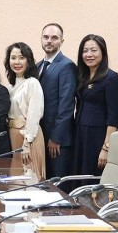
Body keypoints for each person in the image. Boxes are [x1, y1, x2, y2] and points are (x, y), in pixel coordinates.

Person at [73, 34, 118, 179]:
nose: (89, 54)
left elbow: (114, 116)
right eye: (85, 51)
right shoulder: (82, 76)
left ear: (103, 52)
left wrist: (106, 148)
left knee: (93, 177)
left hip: (98, 136)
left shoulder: (111, 78)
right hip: (80, 133)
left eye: (94, 50)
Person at [36, 23, 77, 179]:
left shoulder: (67, 66)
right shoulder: (38, 66)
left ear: (62, 41)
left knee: (58, 183)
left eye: (54, 38)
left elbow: (66, 105)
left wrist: (56, 137)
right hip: (41, 137)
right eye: (46, 37)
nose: (49, 41)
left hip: (58, 141)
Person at [4, 42, 45, 178]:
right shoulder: (10, 86)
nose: (17, 62)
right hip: (13, 135)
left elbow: (34, 115)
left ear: (29, 60)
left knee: (29, 178)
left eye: (21, 58)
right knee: (15, 177)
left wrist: (27, 143)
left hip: (28, 137)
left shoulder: (32, 83)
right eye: (13, 58)